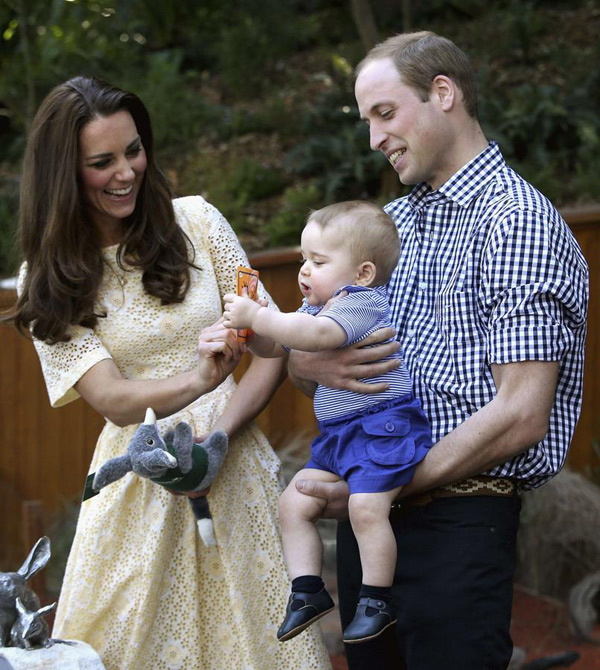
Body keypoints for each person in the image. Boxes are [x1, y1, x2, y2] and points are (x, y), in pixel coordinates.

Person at [2, 76, 331, 670]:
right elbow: (113, 399)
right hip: (138, 481)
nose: (126, 172)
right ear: (62, 176)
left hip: (234, 470)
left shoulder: (199, 223)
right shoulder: (45, 279)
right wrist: (198, 382)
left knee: (256, 646)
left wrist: (219, 437)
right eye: (101, 162)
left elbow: (273, 348)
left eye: (133, 150)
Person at [287, 31, 589, 670]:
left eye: (385, 113)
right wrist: (304, 361)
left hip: (459, 521)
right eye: (366, 119)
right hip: (369, 517)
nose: (373, 139)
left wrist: (388, 487)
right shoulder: (384, 228)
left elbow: (521, 413)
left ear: (443, 94)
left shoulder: (518, 222)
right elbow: (312, 358)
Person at [222, 200, 432, 644]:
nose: (303, 270)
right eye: (303, 258)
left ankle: (377, 598)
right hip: (341, 438)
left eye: (317, 261)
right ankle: (307, 590)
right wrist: (244, 333)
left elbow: (316, 338)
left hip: (381, 429)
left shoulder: (360, 304)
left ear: (363, 273)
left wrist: (260, 316)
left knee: (365, 507)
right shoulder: (314, 307)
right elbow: (278, 348)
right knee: (293, 503)